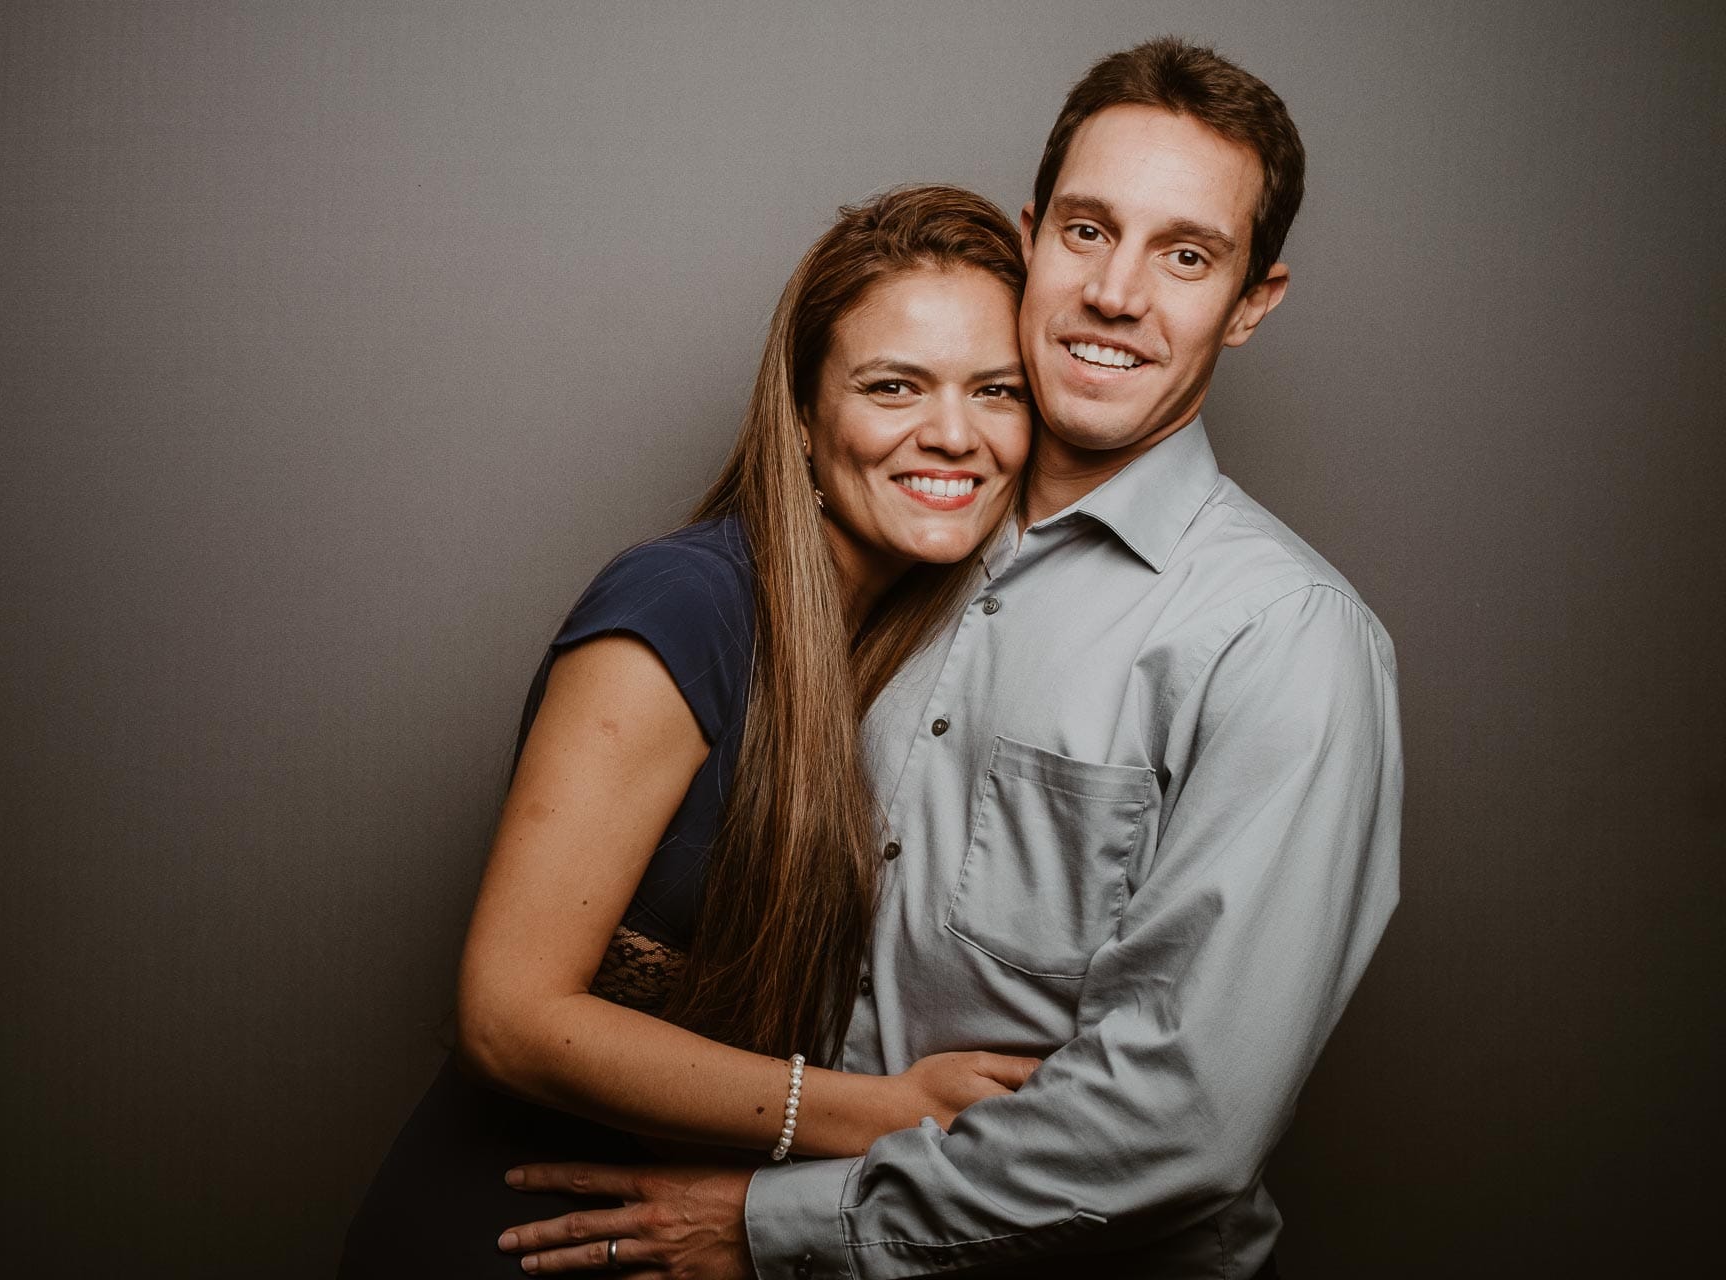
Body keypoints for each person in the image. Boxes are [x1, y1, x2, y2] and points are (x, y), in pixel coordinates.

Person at [498, 37, 1402, 1279]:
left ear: (1251, 300)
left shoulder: (1283, 638)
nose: (1116, 293)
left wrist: (767, 1226)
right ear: (1032, 237)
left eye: (1185, 255)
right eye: (1087, 231)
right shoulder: (914, 539)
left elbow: (1179, 1122)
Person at [342, 185, 1048, 1277]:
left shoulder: (915, 644)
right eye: (892, 385)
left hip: (690, 1238)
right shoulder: (685, 603)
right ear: (805, 418)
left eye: (994, 389)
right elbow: (507, 1013)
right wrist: (879, 1113)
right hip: (518, 1233)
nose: (951, 432)